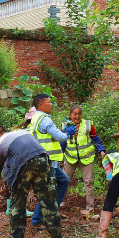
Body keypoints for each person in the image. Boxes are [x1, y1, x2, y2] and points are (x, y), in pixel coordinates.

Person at [0, 125, 66, 238]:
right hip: (42, 160)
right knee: (48, 200)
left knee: (18, 202)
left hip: (21, 165)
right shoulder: (22, 132)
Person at [27, 94, 70, 229]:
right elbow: (60, 137)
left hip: (45, 160)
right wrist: (68, 133)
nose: (51, 104)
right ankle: (38, 219)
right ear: (41, 105)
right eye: (49, 102)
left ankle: (52, 212)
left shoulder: (36, 118)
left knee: (63, 181)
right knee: (47, 191)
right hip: (48, 161)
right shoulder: (45, 120)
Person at [62, 105, 106, 213]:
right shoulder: (65, 126)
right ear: (70, 115)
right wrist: (59, 155)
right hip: (70, 157)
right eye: (74, 114)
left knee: (88, 181)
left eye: (79, 114)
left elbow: (95, 139)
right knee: (64, 180)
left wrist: (101, 150)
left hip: (86, 158)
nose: (77, 116)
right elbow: (62, 142)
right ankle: (61, 202)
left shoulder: (87, 125)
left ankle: (90, 206)